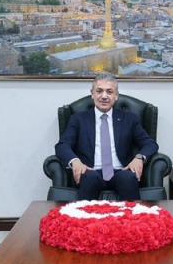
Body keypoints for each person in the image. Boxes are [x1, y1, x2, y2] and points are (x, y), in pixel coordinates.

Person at [54, 73, 158, 201]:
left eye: (109, 92)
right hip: (91, 171)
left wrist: (139, 158)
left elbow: (150, 144)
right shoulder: (78, 119)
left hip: (121, 171)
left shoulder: (129, 119)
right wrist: (75, 161)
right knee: (89, 177)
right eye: (99, 91)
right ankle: (83, 214)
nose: (104, 96)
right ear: (92, 94)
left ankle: (133, 214)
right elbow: (62, 146)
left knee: (128, 177)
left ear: (116, 96)